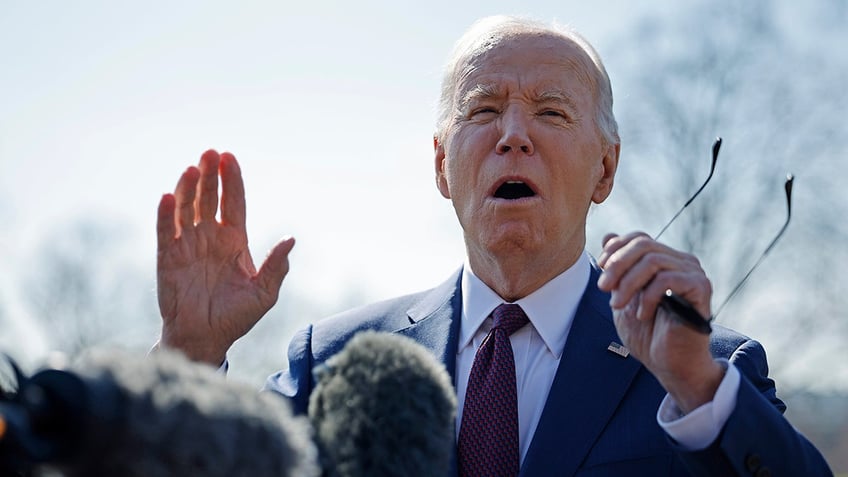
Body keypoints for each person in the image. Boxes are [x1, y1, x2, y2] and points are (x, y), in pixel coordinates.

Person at [154, 15, 831, 476]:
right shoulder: (336, 362)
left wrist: (698, 386)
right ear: (443, 165)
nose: (513, 134)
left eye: (551, 111)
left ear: (605, 169)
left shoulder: (704, 367)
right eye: (482, 109)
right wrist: (189, 355)